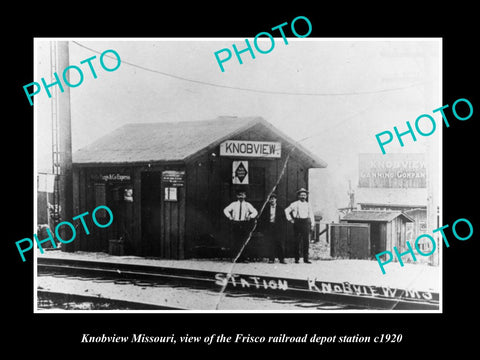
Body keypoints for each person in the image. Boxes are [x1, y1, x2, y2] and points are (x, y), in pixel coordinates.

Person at [223, 190, 258, 263]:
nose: (241, 197)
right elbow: (225, 210)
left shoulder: (247, 205)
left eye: (243, 195)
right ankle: (236, 258)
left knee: (244, 241)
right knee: (236, 241)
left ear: (245, 196)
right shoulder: (234, 204)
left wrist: (250, 216)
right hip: (236, 223)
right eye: (239, 195)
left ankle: (244, 258)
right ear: (237, 196)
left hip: (244, 224)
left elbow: (255, 212)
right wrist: (229, 216)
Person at [285, 188, 315, 264]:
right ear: (298, 196)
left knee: (306, 242)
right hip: (297, 222)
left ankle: (306, 259)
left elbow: (311, 215)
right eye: (301, 195)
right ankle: (296, 259)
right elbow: (286, 211)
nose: (303, 196)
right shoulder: (294, 204)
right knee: (297, 241)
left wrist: (312, 224)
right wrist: (290, 219)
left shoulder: (308, 205)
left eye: (304, 195)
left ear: (306, 196)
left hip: (305, 223)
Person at [258, 193, 286, 264]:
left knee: (279, 243)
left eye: (273, 199)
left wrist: (282, 229)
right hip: (269, 227)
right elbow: (262, 219)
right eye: (270, 199)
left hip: (278, 228)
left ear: (276, 199)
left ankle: (282, 259)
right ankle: (271, 259)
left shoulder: (280, 209)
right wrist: (264, 229)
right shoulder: (266, 209)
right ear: (269, 200)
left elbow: (284, 220)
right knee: (270, 243)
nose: (272, 200)